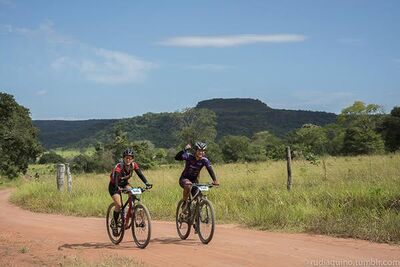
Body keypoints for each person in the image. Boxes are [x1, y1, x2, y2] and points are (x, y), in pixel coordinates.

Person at [108, 148, 152, 236]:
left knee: (134, 195)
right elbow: (116, 177)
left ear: (132, 159)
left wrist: (146, 183)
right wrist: (117, 187)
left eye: (130, 158)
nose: (128, 160)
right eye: (126, 158)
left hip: (125, 184)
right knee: (119, 205)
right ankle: (115, 224)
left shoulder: (133, 165)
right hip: (114, 186)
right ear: (123, 158)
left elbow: (140, 174)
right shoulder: (119, 166)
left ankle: (131, 212)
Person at [175, 141, 219, 212]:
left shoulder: (204, 160)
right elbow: (177, 157)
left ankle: (196, 217)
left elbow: (210, 169)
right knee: (188, 185)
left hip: (195, 182)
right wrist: (185, 150)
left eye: (202, 151)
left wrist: (215, 180)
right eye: (199, 150)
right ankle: (185, 203)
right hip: (184, 179)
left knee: (199, 198)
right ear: (195, 150)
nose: (201, 152)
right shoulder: (189, 156)